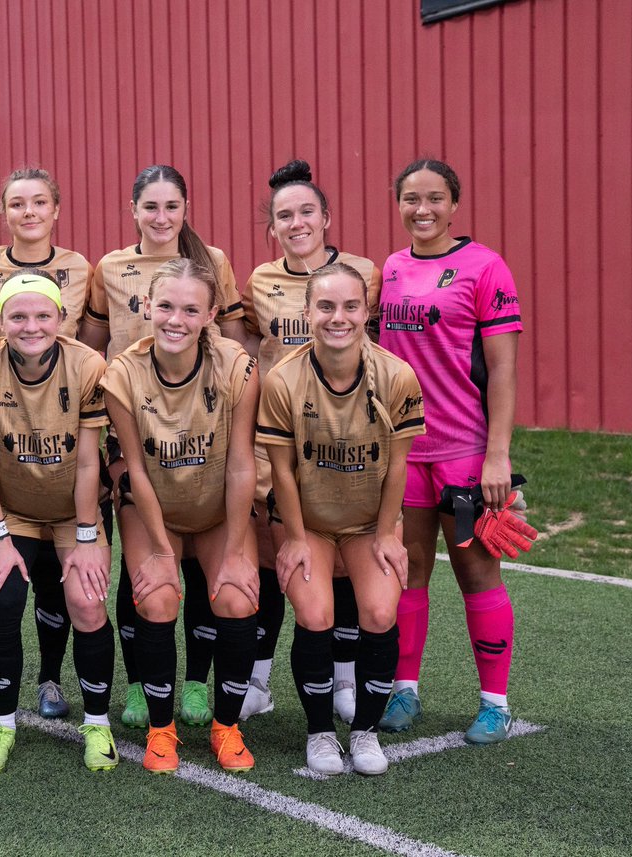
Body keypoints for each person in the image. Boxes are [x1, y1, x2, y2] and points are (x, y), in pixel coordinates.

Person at [81, 164, 247, 730]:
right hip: (133, 419)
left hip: (200, 426)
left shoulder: (213, 263)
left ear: (185, 208)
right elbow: (93, 346)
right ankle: (140, 682)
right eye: (150, 207)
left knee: (202, 570)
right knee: (145, 567)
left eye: (171, 207)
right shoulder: (111, 267)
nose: (160, 217)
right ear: (133, 210)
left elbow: (230, 340)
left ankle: (197, 683)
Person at [376, 159, 525, 744]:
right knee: (407, 570)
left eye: (435, 198)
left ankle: (495, 703)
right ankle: (404, 691)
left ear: (455, 203)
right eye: (411, 198)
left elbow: (505, 371)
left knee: (475, 570)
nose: (422, 210)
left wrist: (498, 455)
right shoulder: (390, 268)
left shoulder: (486, 267)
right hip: (405, 452)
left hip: (465, 451)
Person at [258, 263, 425, 775]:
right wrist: (293, 539)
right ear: (306, 313)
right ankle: (320, 734)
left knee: (378, 613)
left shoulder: (397, 375)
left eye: (350, 306)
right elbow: (282, 472)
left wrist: (386, 533)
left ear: (367, 311)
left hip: (365, 521)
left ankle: (366, 733)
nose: (338, 317)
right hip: (308, 521)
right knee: (314, 615)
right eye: (326, 307)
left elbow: (398, 464)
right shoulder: (283, 379)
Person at [100, 257, 260, 774]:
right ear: (147, 306)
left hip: (215, 511)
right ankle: (161, 729)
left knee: (236, 596)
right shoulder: (122, 373)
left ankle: (226, 727)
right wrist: (164, 553)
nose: (176, 319)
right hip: (155, 513)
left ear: (212, 313)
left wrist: (236, 552)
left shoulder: (236, 366)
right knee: (158, 596)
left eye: (191, 309)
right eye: (165, 305)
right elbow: (137, 473)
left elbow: (240, 466)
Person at [240, 159, 384, 724]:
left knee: (345, 565)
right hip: (276, 444)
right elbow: (252, 357)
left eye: (306, 211)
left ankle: (345, 678)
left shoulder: (364, 272)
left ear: (326, 216)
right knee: (279, 562)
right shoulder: (259, 282)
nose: (296, 222)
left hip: (345, 446)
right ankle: (258, 678)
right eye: (283, 215)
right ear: (272, 227)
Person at [0, 271, 117, 774]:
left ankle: (98, 724)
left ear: (62, 319)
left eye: (42, 315)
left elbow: (90, 461)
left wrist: (88, 537)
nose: (31, 326)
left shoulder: (88, 364)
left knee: (87, 605)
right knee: (1, 603)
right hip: (15, 512)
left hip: (75, 512)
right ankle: (3, 725)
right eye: (18, 316)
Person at [0, 168, 94, 723]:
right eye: (18, 203)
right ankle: (1, 694)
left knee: (59, 587)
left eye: (40, 201)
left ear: (57, 209)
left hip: (63, 431)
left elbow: (93, 341)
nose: (30, 211)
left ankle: (49, 678)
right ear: (4, 211)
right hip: (3, 438)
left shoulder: (83, 269)